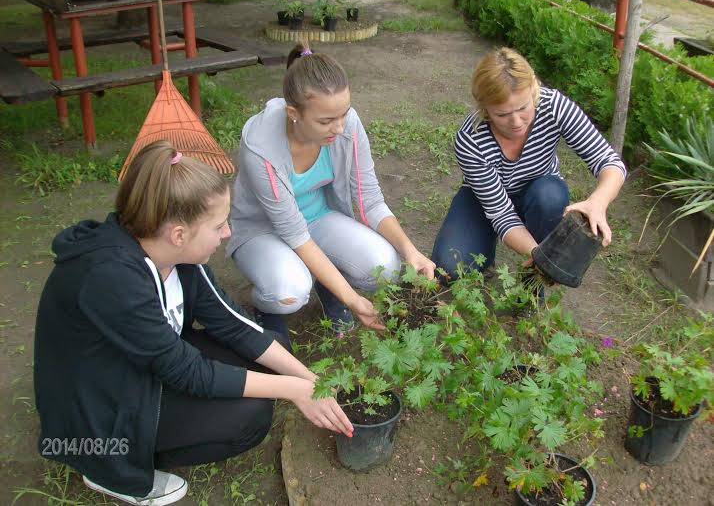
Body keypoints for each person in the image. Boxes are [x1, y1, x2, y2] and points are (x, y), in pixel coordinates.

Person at [34, 141, 353, 506]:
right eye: (219, 225)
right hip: (99, 401)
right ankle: (110, 467)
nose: (228, 232)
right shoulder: (111, 279)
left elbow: (232, 324)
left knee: (275, 348)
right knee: (249, 416)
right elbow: (187, 372)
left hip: (142, 364)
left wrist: (309, 380)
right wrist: (292, 390)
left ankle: (151, 435)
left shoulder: (179, 256)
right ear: (179, 234)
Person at [227, 43, 435, 332]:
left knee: (385, 267)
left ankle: (327, 283)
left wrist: (409, 250)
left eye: (343, 114)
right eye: (325, 121)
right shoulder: (261, 148)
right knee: (288, 292)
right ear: (293, 113)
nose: (338, 128)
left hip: (317, 218)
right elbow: (293, 233)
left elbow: (369, 200)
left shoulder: (347, 125)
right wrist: (352, 300)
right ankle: (265, 307)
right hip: (263, 231)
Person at [432, 47, 626, 284]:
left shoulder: (554, 106)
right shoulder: (470, 139)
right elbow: (501, 213)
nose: (516, 122)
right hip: (484, 200)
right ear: (485, 109)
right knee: (449, 268)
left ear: (534, 89)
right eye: (502, 114)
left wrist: (598, 202)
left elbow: (609, 161)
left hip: (539, 191)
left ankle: (532, 284)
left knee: (550, 195)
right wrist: (539, 255)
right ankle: (492, 252)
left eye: (523, 108)